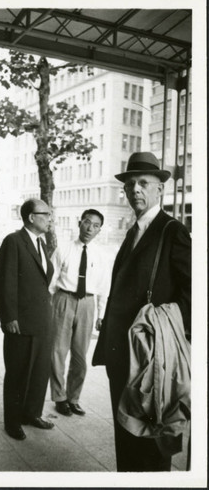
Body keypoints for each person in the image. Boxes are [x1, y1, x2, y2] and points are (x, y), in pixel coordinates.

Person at [92, 151, 191, 472]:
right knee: (127, 439)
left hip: (150, 357)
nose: (135, 189)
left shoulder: (171, 230)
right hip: (122, 356)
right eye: (130, 183)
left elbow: (193, 296)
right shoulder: (133, 232)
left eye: (144, 183)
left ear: (160, 189)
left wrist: (162, 329)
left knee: (150, 442)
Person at [0, 199, 54, 441]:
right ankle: (13, 421)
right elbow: (3, 281)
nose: (50, 218)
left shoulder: (42, 243)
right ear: (31, 217)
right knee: (18, 372)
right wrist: (9, 317)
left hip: (42, 320)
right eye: (46, 214)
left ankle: (32, 413)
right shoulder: (13, 241)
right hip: (20, 322)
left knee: (40, 371)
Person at [49, 209, 110, 417]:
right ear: (79, 223)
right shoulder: (63, 249)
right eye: (87, 223)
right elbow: (50, 281)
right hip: (63, 300)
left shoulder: (102, 255)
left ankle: (73, 398)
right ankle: (59, 397)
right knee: (57, 352)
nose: (89, 228)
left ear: (99, 230)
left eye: (95, 225)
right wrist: (48, 306)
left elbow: (104, 288)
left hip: (87, 304)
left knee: (80, 356)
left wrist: (101, 315)